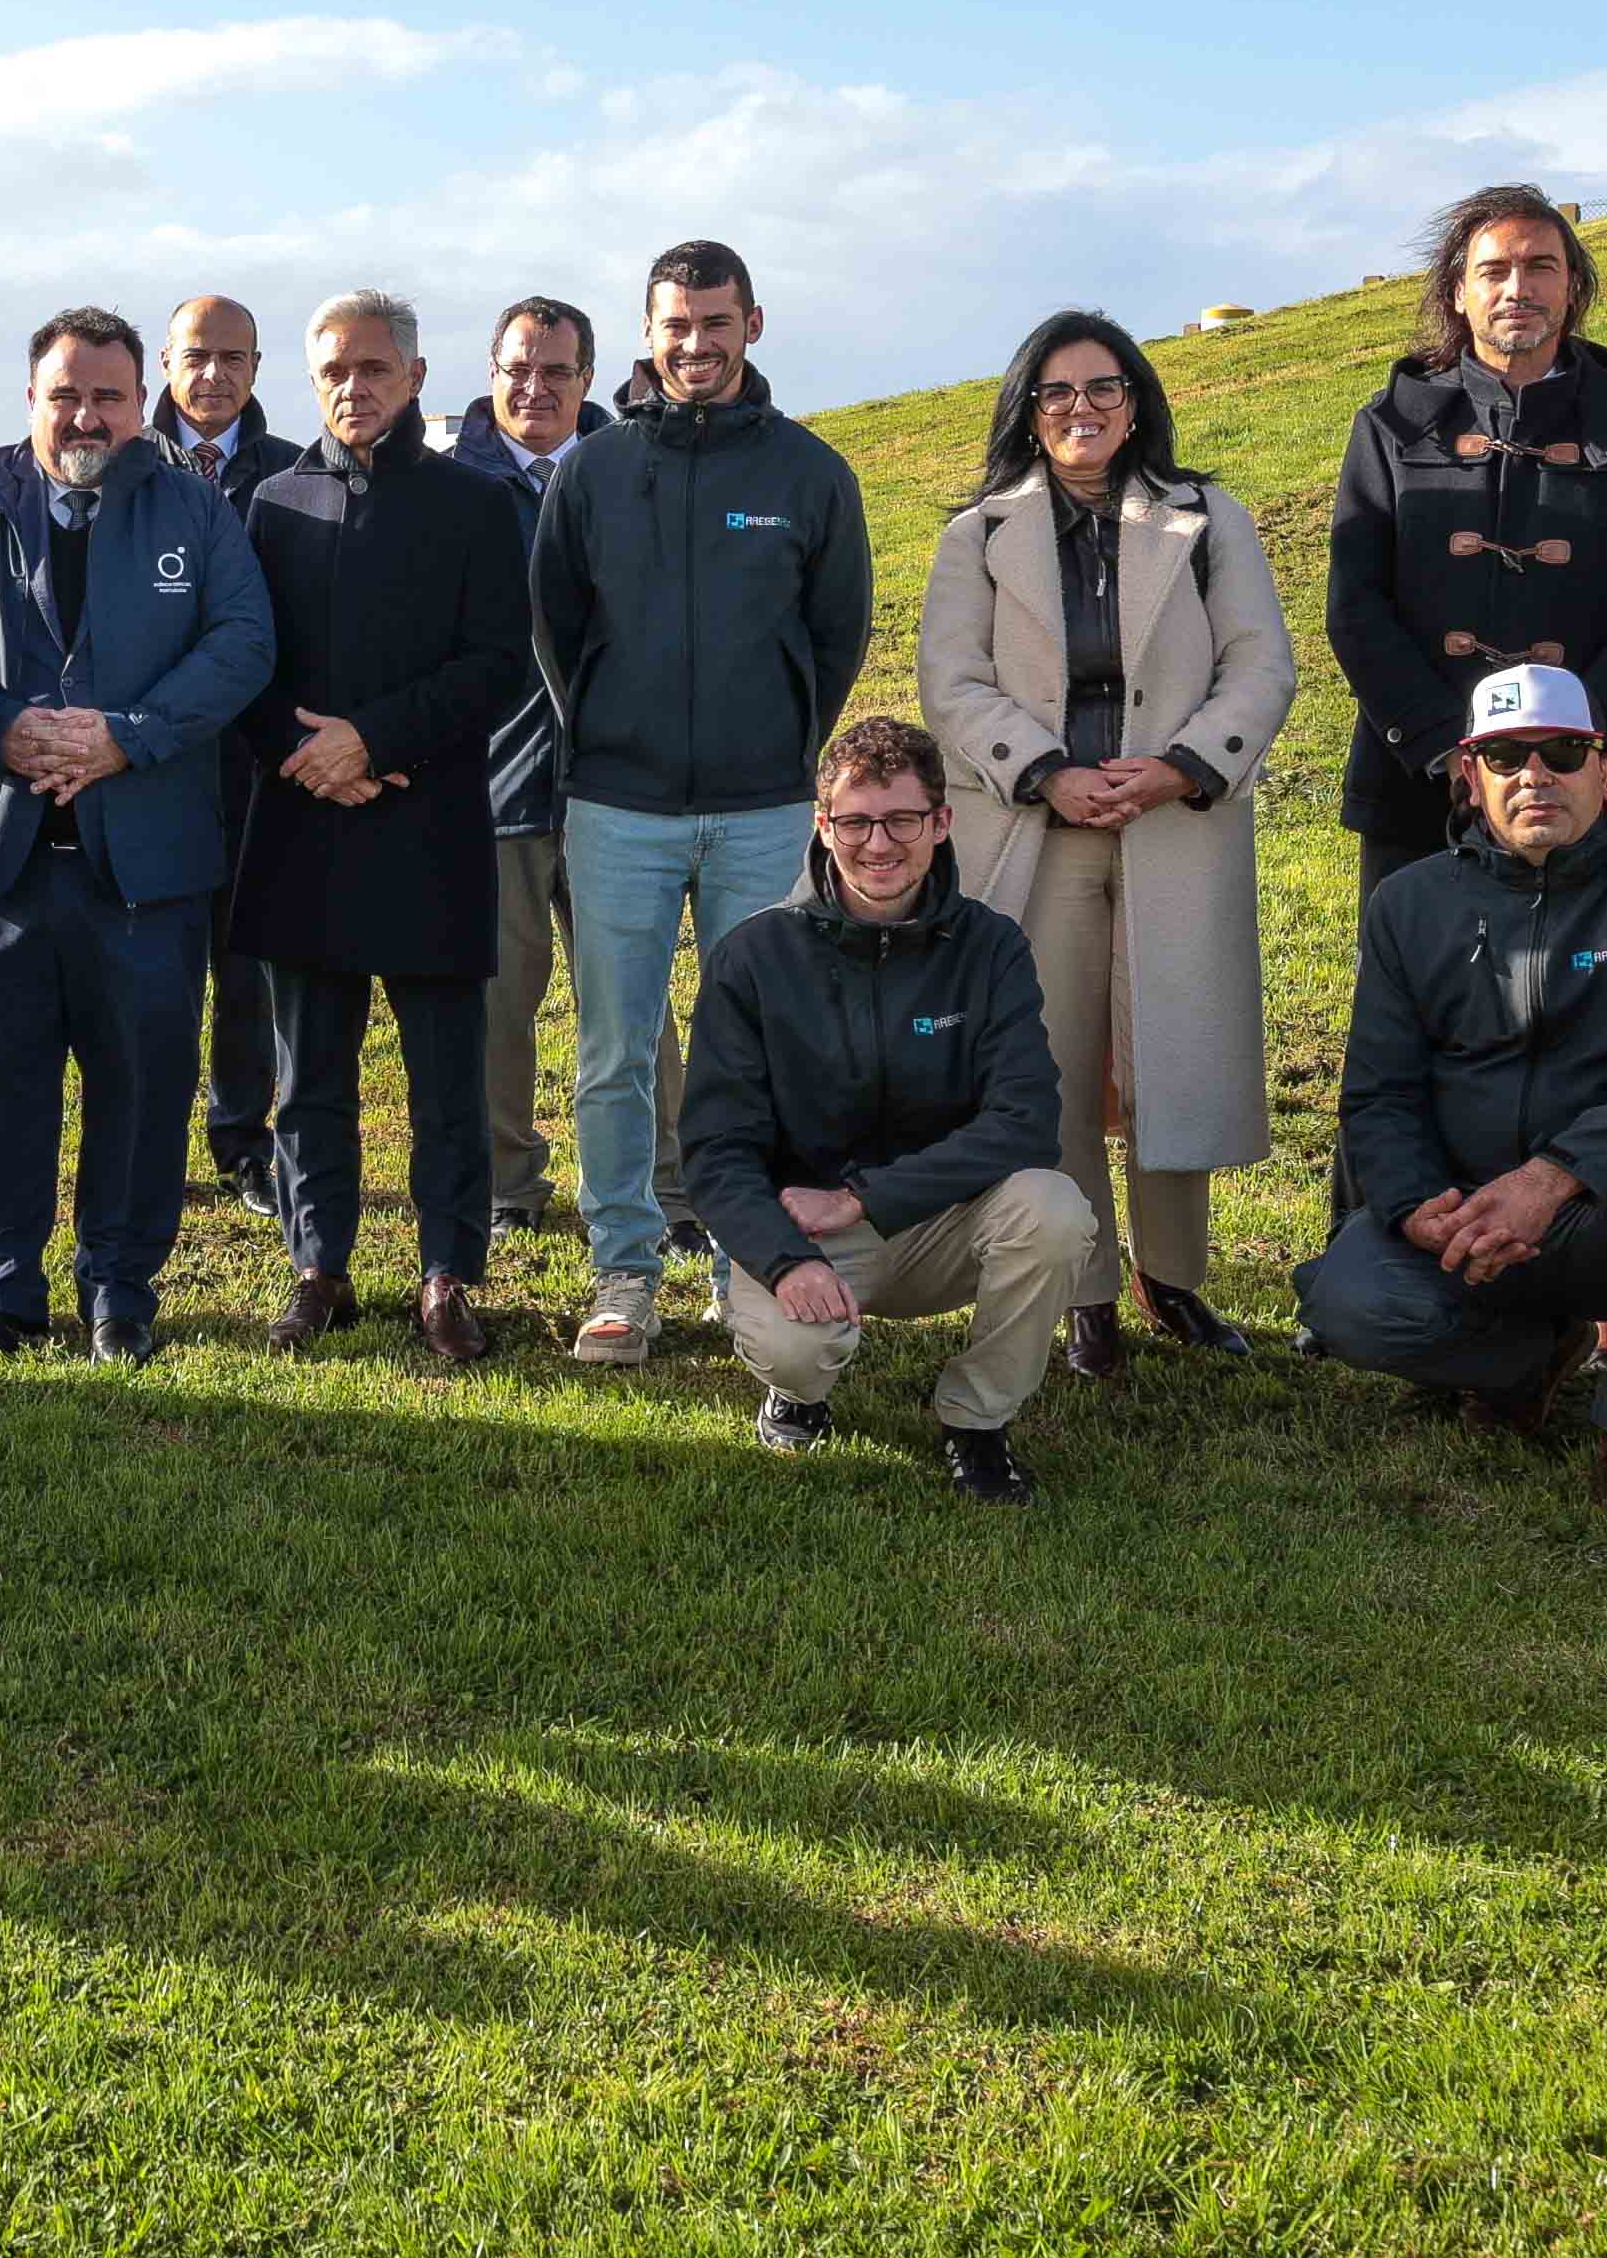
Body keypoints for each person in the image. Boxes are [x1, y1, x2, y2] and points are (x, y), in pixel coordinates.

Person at [916, 310, 1296, 1382]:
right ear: (1027, 415)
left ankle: (1173, 1276)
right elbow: (951, 683)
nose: (1079, 410)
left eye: (1101, 389)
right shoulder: (976, 536)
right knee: (1058, 1064)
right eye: (1056, 393)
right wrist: (1047, 770)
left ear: (1135, 404)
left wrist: (1182, 761)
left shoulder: (1207, 519)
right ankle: (1083, 1295)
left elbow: (1258, 664)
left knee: (1174, 1051)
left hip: (1174, 822)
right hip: (1037, 830)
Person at [1291, 665, 1607, 1518]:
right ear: (1467, 778)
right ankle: (1523, 1357)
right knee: (1346, 1303)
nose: (1533, 774)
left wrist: (1551, 1178)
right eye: (1505, 755)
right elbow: (1378, 1093)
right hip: (1467, 1221)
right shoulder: (1407, 902)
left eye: (1561, 751)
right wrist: (1413, 1209)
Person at [530, 238, 874, 1368]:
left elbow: (836, 635)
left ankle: (746, 1267)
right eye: (674, 325)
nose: (694, 344)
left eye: (714, 323)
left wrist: (779, 742)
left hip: (763, 808)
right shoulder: (589, 471)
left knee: (756, 1053)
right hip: (616, 805)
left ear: (752, 326)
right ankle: (624, 1267)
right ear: (646, 331)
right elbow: (554, 629)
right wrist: (606, 739)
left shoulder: (809, 474)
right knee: (612, 1047)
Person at [0, 308, 275, 1367]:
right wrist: (5, 728)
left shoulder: (191, 504)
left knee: (142, 1082)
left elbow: (241, 642)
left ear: (143, 401)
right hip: (3, 855)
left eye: (108, 397)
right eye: (63, 395)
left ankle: (118, 1290)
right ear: (29, 398)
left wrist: (128, 738)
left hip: (147, 859)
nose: (85, 414)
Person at [674, 716, 1092, 1502]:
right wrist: (784, 1258)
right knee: (795, 1349)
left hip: (942, 1220)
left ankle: (976, 1421)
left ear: (940, 822)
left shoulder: (990, 946)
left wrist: (864, 1198)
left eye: (902, 819)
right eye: (856, 821)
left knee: (1053, 1208)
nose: (879, 844)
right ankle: (797, 1392)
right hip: (806, 1233)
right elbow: (714, 1149)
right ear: (822, 823)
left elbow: (1026, 1120)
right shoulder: (753, 957)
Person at [231, 294, 534, 1363]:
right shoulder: (271, 503)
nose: (350, 387)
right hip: (301, 824)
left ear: (411, 377)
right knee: (308, 1075)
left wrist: (372, 741)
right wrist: (306, 753)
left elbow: (495, 661)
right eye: (330, 371)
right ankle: (319, 1266)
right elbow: (241, 658)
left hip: (427, 821)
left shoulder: (472, 502)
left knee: (445, 1078)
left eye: (370, 368)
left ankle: (446, 1273)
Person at [1323, 188, 1607, 910]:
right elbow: (1355, 609)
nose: (1517, 288)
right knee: (1415, 1008)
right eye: (1493, 270)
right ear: (1458, 292)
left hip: (1591, 787)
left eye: (1540, 267)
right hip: (1418, 787)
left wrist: (1579, 752)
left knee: (1596, 1008)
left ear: (1573, 286)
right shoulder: (1388, 426)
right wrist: (1446, 749)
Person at [442, 295, 596, 1238]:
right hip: (492, 786)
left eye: (556, 372)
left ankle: (663, 1182)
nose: (534, 388)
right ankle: (506, 1185)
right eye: (517, 370)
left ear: (587, 379)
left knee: (629, 1004)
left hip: (617, 787)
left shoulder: (625, 472)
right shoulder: (450, 485)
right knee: (498, 1006)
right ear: (491, 372)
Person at [155, 294, 306, 1217]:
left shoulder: (290, 475)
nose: (213, 376)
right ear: (167, 361)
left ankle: (244, 1140)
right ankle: (145, 1139)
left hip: (256, 764)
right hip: (150, 762)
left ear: (256, 368)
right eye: (196, 356)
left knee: (246, 966)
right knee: (148, 971)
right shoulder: (124, 466)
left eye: (233, 359)